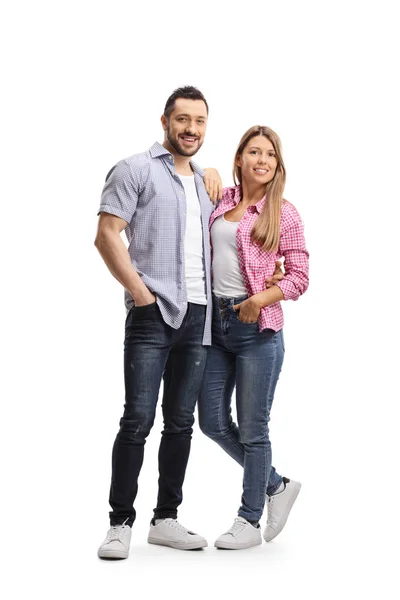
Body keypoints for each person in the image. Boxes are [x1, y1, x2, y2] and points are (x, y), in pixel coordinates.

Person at [95, 87, 283, 559]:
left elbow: (247, 222)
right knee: (137, 418)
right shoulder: (134, 169)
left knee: (181, 423)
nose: (191, 129)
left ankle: (166, 518)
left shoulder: (206, 181)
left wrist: (272, 275)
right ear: (165, 121)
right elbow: (106, 234)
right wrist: (140, 294)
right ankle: (120, 523)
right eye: (183, 120)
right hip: (151, 314)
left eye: (199, 121)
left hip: (202, 319)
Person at [198, 125, 309, 550]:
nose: (262, 160)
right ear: (240, 158)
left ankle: (249, 519)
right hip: (215, 325)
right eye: (254, 152)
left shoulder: (285, 213)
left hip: (257, 329)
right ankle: (277, 484)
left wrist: (259, 298)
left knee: (252, 428)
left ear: (277, 165)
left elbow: (299, 276)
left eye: (270, 155)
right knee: (211, 420)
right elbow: (195, 182)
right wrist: (207, 168)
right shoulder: (222, 199)